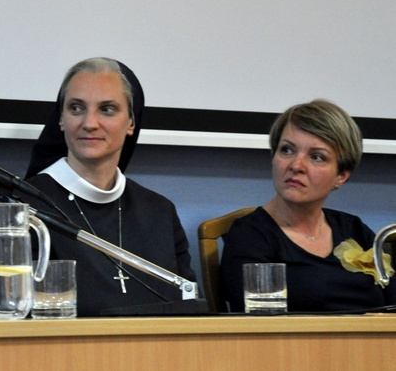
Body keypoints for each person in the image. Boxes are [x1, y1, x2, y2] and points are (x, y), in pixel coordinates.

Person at [20, 57, 196, 317]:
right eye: (76, 108)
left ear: (131, 123)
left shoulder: (160, 212)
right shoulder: (24, 207)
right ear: (61, 120)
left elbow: (189, 311)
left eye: (107, 109)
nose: (89, 123)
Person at [220, 99, 396, 312]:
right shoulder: (250, 235)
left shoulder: (353, 229)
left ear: (341, 176)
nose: (296, 165)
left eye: (316, 157)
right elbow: (259, 325)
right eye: (287, 150)